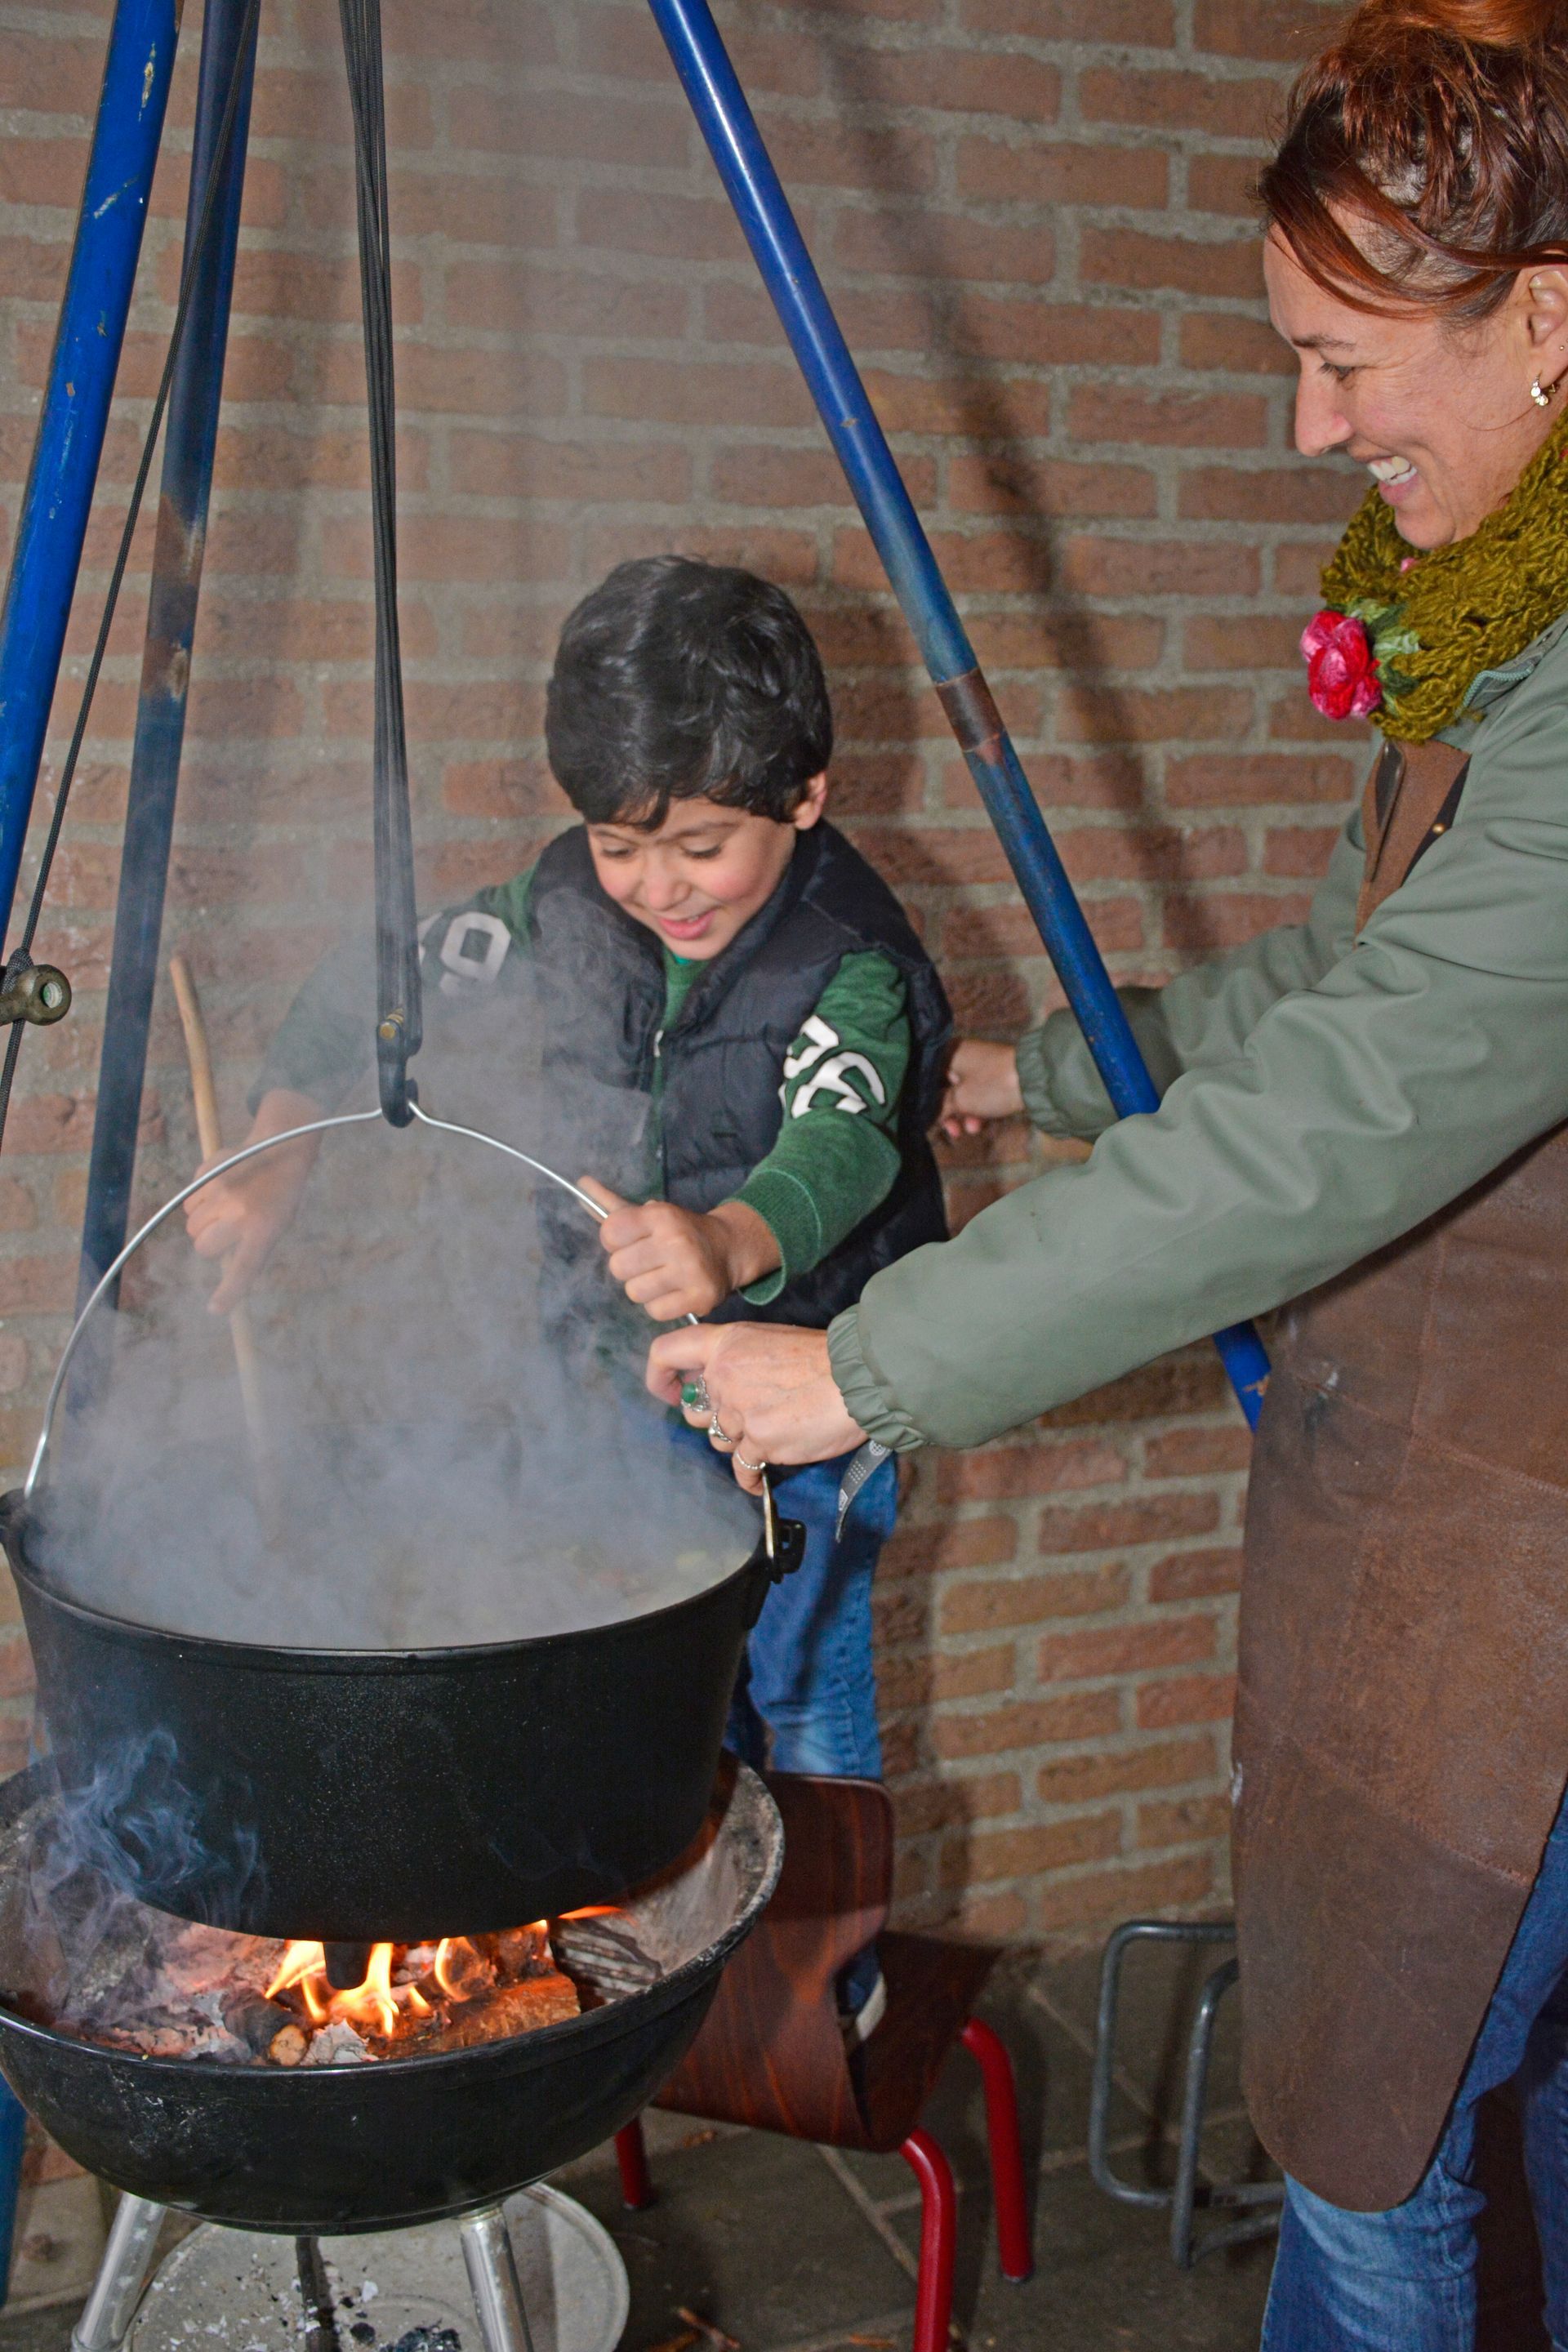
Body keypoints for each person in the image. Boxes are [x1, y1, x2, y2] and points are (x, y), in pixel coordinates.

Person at [644, 2, 1568, 2341]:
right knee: (1506, 2098)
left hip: (1530, 1569)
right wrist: (1052, 1068)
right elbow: (1356, 985)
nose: (1309, 426)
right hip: (1473, 1529)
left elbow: (1338, 1124)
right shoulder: (1506, 630)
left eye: (1348, 362)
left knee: (1374, 2177)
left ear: (1548, 320)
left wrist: (867, 1363)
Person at [185, 555, 951, 2037]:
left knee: (797, 1687)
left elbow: (843, 1144)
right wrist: (278, 1148)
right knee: (636, 1676)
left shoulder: (852, 960)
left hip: (805, 1407)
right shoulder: (555, 910)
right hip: (611, 1383)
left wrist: (729, 1243)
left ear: (805, 798)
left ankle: (813, 1984)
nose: (660, 890)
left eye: (703, 848)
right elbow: (382, 984)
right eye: (619, 847)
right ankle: (653, 1948)